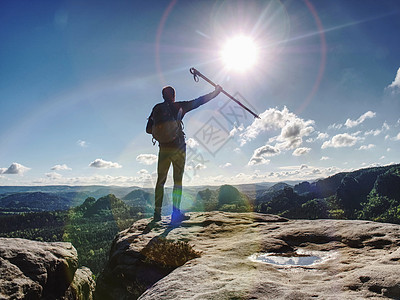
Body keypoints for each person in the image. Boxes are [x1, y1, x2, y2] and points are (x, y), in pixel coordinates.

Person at [146, 85, 222, 223]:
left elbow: (148, 130)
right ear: (174, 95)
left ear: (163, 96)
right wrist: (216, 92)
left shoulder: (156, 108)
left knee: (160, 181)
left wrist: (163, 135)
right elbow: (200, 101)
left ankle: (157, 214)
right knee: (178, 181)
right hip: (179, 148)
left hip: (163, 149)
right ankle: (176, 214)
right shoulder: (180, 106)